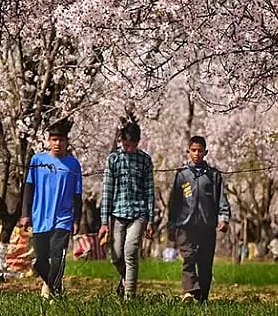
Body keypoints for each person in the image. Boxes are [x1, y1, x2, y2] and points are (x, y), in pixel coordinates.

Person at [19, 118, 82, 299]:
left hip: (63, 218)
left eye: (61, 140)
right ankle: (55, 288)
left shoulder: (73, 164)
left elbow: (78, 195)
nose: (57, 143)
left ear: (66, 142)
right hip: (40, 217)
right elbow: (28, 188)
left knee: (57, 256)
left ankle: (54, 293)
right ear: (48, 141)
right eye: (54, 139)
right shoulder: (37, 160)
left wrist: (77, 219)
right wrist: (25, 214)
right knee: (40, 261)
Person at [167, 135, 231, 302]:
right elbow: (174, 202)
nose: (196, 154)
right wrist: (171, 225)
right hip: (185, 224)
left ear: (205, 152)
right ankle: (191, 290)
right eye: (193, 150)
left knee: (205, 263)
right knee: (189, 257)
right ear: (188, 152)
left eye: (200, 151)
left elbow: (221, 199)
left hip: (207, 224)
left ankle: (202, 297)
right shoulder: (182, 175)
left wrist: (223, 218)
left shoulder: (213, 175)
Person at [99, 119, 155, 299]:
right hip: (117, 213)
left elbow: (149, 190)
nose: (129, 148)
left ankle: (130, 297)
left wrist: (150, 219)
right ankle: (126, 278)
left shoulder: (145, 160)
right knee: (116, 255)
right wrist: (104, 222)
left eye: (133, 145)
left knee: (130, 252)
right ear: (121, 141)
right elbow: (107, 191)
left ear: (138, 143)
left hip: (138, 213)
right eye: (126, 144)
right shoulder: (113, 159)